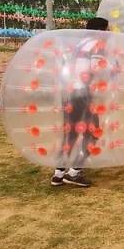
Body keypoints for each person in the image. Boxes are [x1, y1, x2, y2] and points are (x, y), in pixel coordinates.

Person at [52, 17, 110, 188]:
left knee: (70, 134)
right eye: (106, 30)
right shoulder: (97, 45)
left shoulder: (79, 45)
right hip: (84, 94)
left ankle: (58, 174)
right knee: (92, 133)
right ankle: (74, 172)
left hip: (70, 94)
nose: (108, 34)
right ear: (100, 30)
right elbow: (96, 69)